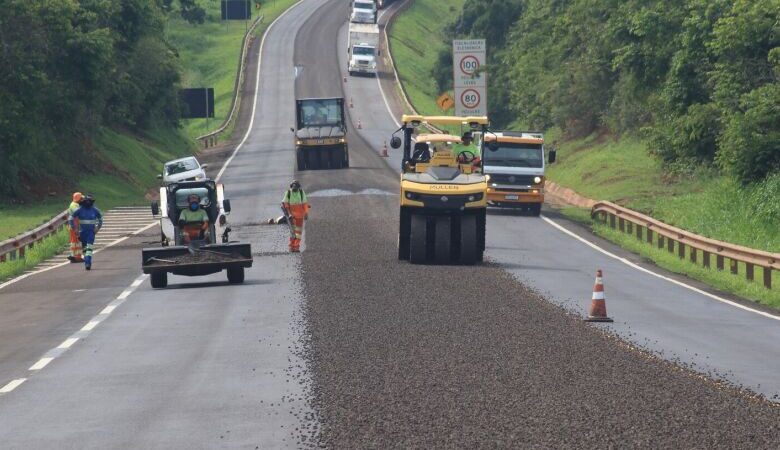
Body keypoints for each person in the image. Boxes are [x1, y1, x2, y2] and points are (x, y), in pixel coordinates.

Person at [69, 194, 102, 270]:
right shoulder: (80, 210)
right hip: (82, 233)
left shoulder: (95, 210)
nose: (88, 202)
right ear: (83, 201)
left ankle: (87, 263)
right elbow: (70, 218)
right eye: (86, 201)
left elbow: (100, 219)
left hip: (91, 233)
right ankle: (87, 261)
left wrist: (97, 228)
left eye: (89, 201)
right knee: (84, 249)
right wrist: (75, 229)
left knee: (89, 248)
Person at [282, 180, 310, 253]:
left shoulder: (301, 192)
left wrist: (306, 213)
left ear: (298, 187)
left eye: (296, 187)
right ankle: (292, 247)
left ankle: (296, 247)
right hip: (292, 217)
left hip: (300, 216)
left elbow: (304, 204)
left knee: (298, 233)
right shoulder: (288, 193)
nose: (295, 189)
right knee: (293, 232)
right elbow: (285, 204)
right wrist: (289, 214)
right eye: (293, 187)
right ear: (291, 186)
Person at [67, 192, 84, 263]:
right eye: (81, 198)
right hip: (74, 225)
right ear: (78, 199)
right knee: (75, 241)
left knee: (76, 241)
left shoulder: (76, 204)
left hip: (75, 225)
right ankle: (76, 256)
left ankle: (76, 256)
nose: (82, 200)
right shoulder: (74, 205)